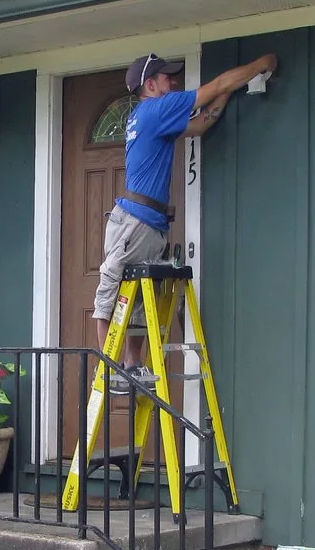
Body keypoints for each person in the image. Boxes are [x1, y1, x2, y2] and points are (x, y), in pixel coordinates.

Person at [93, 50, 278, 390]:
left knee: (138, 297)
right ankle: (108, 369)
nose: (173, 81)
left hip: (149, 224)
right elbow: (215, 85)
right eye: (167, 77)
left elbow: (201, 124)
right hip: (134, 221)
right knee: (112, 290)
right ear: (150, 84)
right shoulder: (154, 109)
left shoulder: (152, 118)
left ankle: (132, 365)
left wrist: (228, 92)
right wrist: (261, 65)